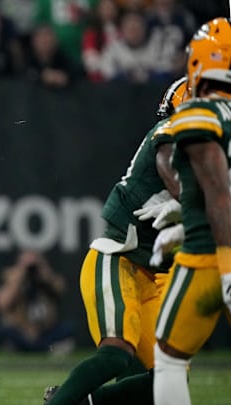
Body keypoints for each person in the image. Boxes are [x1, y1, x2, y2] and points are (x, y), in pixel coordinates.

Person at [44, 75, 188, 405]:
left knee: (171, 380)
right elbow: (174, 168)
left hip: (152, 278)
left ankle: (86, 401)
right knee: (116, 355)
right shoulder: (171, 133)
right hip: (118, 259)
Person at [151, 17, 231, 405]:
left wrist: (228, 269)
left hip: (209, 259)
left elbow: (219, 195)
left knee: (168, 357)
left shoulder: (199, 114)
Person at [0, 251, 75, 353]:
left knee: (68, 328)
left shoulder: (46, 278)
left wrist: (44, 274)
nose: (31, 269)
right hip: (20, 332)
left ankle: (49, 348)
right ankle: (15, 348)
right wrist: (19, 277)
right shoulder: (11, 277)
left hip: (45, 331)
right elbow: (2, 304)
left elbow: (61, 289)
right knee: (1, 331)